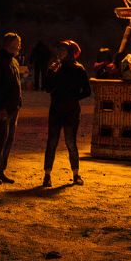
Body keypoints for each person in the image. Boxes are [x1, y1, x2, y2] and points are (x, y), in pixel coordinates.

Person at [43, 40, 92, 187]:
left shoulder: (78, 69)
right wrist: (50, 72)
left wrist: (72, 98)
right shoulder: (55, 68)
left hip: (71, 112)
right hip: (56, 110)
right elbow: (47, 88)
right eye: (58, 50)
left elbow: (87, 91)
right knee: (52, 142)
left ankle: (76, 175)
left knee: (71, 142)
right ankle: (47, 175)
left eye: (63, 50)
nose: (59, 53)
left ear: (70, 52)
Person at [0, 32, 23, 184]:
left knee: (8, 140)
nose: (18, 47)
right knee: (0, 139)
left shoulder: (13, 61)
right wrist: (0, 108)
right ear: (7, 44)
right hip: (2, 109)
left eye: (19, 44)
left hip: (13, 108)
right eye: (15, 44)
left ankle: (1, 170)